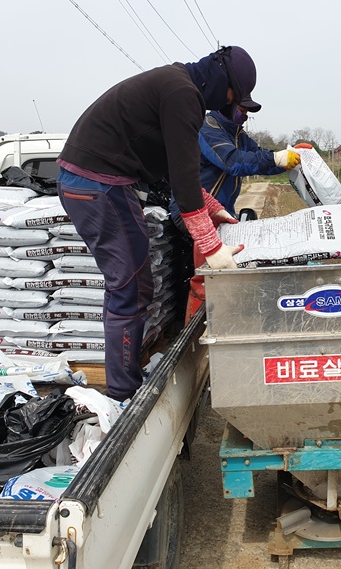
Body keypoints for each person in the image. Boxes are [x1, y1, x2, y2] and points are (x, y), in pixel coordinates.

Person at [55, 45, 258, 401]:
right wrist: (212, 248)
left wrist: (209, 204)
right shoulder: (183, 94)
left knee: (133, 283)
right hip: (98, 185)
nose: (230, 106)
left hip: (94, 182)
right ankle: (123, 393)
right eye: (233, 97)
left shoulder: (177, 84)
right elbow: (183, 176)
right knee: (130, 286)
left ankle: (126, 377)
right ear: (223, 81)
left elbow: (175, 167)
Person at [171, 101, 305, 320]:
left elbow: (259, 158)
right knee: (210, 274)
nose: (244, 116)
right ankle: (197, 332)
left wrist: (290, 157)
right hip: (194, 211)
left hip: (220, 213)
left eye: (247, 113)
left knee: (238, 261)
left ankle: (230, 316)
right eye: (241, 111)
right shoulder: (208, 129)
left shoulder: (239, 136)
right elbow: (232, 162)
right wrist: (275, 158)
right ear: (225, 105)